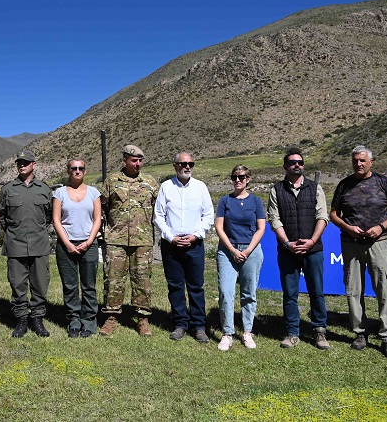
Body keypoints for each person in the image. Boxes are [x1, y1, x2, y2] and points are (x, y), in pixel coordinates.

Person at [330, 145, 387, 359]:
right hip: (351, 244)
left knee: (385, 288)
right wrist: (347, 227)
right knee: (353, 289)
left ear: (371, 162)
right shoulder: (344, 185)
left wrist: (381, 227)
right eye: (355, 161)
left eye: (362, 160)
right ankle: (360, 333)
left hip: (378, 242)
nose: (358, 164)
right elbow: (333, 214)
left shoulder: (382, 182)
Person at [267, 149, 330, 350]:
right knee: (290, 293)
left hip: (313, 250)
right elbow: (274, 219)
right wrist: (287, 243)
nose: (297, 165)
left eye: (300, 162)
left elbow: (323, 217)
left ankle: (319, 331)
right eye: (293, 162)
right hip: (288, 251)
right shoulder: (276, 190)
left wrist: (311, 241)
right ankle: (292, 333)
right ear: (285, 166)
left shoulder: (315, 188)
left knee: (316, 292)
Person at [98, 145, 159, 337]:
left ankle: (142, 319)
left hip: (142, 240)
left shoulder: (150, 182)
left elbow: (158, 208)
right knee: (113, 280)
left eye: (140, 160)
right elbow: (103, 207)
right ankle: (111, 317)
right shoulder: (112, 181)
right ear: (124, 160)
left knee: (142, 280)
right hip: (116, 239)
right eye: (134, 160)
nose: (138, 164)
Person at [154, 151, 214, 343]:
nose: (187, 167)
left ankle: (199, 326)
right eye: (183, 164)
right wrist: (171, 237)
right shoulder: (166, 187)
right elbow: (158, 216)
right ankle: (180, 324)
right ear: (175, 166)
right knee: (175, 286)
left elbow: (208, 215)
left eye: (190, 164)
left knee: (196, 287)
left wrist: (195, 236)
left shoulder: (200, 187)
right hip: (171, 246)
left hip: (194, 245)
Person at [0, 150, 53, 338]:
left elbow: (48, 216)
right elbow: (2, 216)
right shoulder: (8, 189)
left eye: (26, 162)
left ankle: (37, 319)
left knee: (40, 284)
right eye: (19, 162)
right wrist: (15, 231)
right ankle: (21, 320)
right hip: (16, 244)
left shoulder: (44, 189)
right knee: (17, 284)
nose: (22, 165)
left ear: (34, 165)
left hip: (39, 244)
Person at [215, 165, 265, 351]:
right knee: (226, 291)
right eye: (234, 176)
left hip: (251, 250)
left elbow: (261, 228)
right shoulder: (225, 201)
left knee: (249, 292)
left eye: (242, 177)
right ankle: (227, 333)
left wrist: (248, 250)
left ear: (248, 179)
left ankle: (247, 331)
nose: (238, 180)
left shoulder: (256, 201)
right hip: (228, 250)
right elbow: (219, 227)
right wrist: (233, 250)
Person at [52, 158, 102, 338]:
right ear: (68, 171)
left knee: (89, 285)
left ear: (85, 171)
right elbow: (56, 219)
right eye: (74, 168)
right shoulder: (59, 193)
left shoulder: (93, 193)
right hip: (66, 244)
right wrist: (67, 243)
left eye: (81, 168)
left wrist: (89, 241)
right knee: (70, 285)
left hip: (89, 244)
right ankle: (73, 321)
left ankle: (89, 321)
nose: (77, 171)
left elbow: (97, 219)